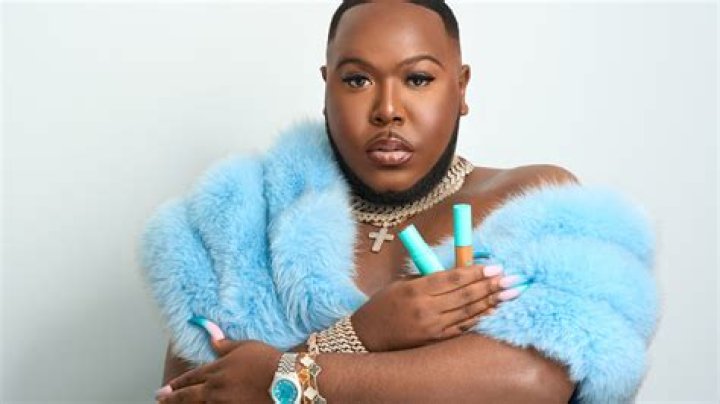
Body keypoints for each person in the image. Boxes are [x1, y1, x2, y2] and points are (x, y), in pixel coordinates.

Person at [140, 1, 658, 403]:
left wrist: (286, 378)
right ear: (326, 87)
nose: (387, 109)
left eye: (417, 79)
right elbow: (195, 395)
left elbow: (530, 383)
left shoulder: (529, 201)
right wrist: (358, 335)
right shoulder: (243, 220)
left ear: (461, 88)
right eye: (357, 79)